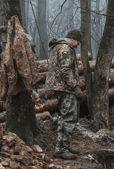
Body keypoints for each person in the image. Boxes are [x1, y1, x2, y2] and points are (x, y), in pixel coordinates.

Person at [45, 29, 84, 160]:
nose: (77, 46)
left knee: (66, 117)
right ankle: (61, 149)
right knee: (68, 117)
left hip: (62, 87)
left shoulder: (60, 47)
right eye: (77, 43)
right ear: (72, 39)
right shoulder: (65, 49)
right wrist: (76, 87)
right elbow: (66, 69)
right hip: (65, 88)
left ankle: (64, 146)